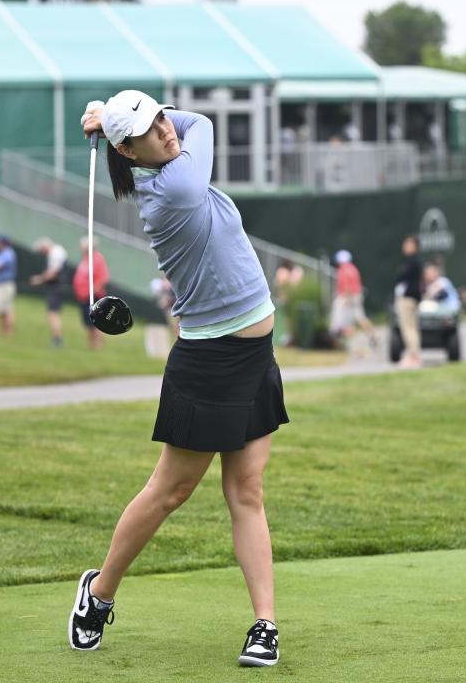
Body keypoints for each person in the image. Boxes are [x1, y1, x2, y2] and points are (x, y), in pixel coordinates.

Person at [71, 90, 288, 667]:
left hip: (254, 351)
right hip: (209, 359)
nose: (167, 130)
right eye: (148, 129)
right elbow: (205, 120)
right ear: (128, 152)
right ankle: (98, 593)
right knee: (171, 490)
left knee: (247, 491)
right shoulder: (175, 189)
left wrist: (115, 116)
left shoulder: (167, 157)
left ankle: (264, 625)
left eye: (163, 117)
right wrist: (113, 122)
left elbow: (186, 121)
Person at [328, 249, 376, 352]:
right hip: (355, 296)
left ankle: (344, 343)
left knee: (344, 320)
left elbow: (347, 285)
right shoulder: (353, 269)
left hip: (348, 297)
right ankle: (371, 336)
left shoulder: (343, 270)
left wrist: (347, 297)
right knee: (360, 317)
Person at [30, 237, 69, 348]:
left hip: (56, 288)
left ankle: (57, 339)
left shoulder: (55, 253)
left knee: (53, 314)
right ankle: (56, 338)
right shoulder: (56, 252)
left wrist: (39, 279)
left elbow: (53, 273)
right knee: (54, 314)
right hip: (56, 287)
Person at [73, 236, 110, 350]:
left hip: (94, 296)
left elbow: (104, 278)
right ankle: (91, 347)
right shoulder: (86, 259)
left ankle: (98, 347)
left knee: (97, 323)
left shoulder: (98, 259)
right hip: (84, 297)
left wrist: (92, 292)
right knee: (89, 324)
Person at [393, 235, 423, 369]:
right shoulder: (410, 262)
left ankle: (414, 356)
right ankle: (413, 355)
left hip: (408, 298)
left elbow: (403, 279)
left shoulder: (411, 263)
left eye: (408, 244)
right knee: (411, 328)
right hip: (411, 297)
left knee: (408, 328)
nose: (405, 246)